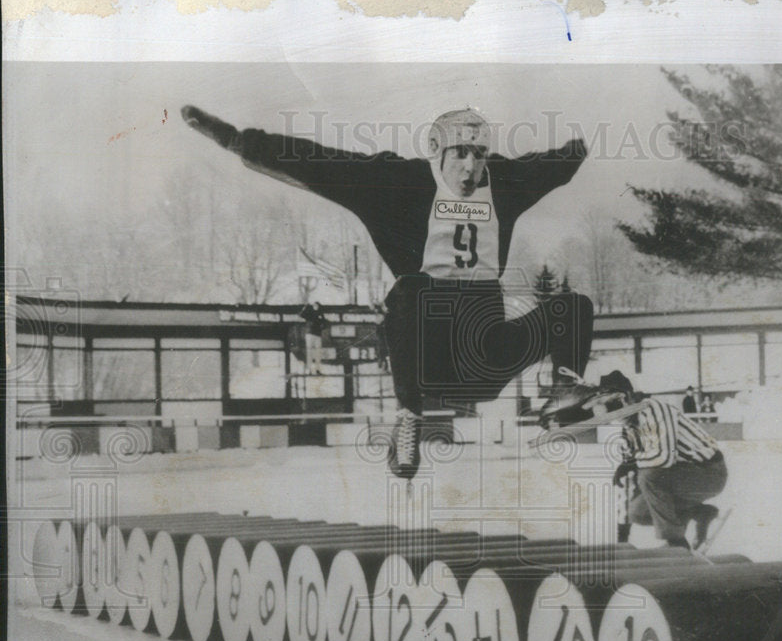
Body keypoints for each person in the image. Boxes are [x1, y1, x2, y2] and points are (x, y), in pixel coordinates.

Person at [181, 104, 594, 478]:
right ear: (437, 153)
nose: (470, 168)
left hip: (483, 361)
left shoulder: (505, 182)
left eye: (479, 155)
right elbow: (322, 164)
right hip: (429, 356)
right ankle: (409, 419)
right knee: (412, 287)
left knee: (573, 309)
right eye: (459, 155)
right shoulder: (398, 182)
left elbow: (553, 166)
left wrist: (579, 145)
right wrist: (238, 140)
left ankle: (564, 391)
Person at [601, 371, 727, 550]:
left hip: (708, 474)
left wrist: (634, 464)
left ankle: (676, 542)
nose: (612, 412)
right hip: (675, 479)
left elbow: (663, 459)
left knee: (649, 474)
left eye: (614, 403)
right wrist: (622, 536)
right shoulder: (628, 428)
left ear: (628, 397)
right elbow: (631, 482)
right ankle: (700, 513)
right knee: (637, 513)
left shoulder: (655, 410)